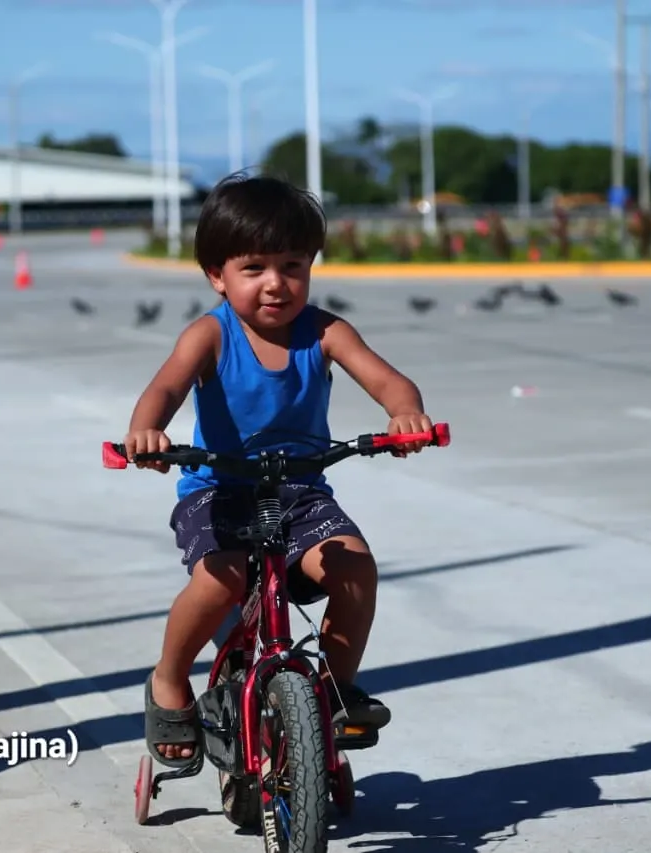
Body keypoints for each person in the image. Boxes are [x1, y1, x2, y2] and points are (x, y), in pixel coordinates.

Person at [119, 172, 436, 767]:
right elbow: (163, 388)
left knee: (355, 567)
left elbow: (390, 381)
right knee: (222, 580)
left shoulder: (325, 331)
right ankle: (168, 679)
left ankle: (334, 691)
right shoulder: (210, 334)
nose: (276, 284)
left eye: (293, 265)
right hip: (217, 490)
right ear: (217, 275)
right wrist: (148, 432)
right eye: (254, 268)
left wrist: (405, 413)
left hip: (300, 492)